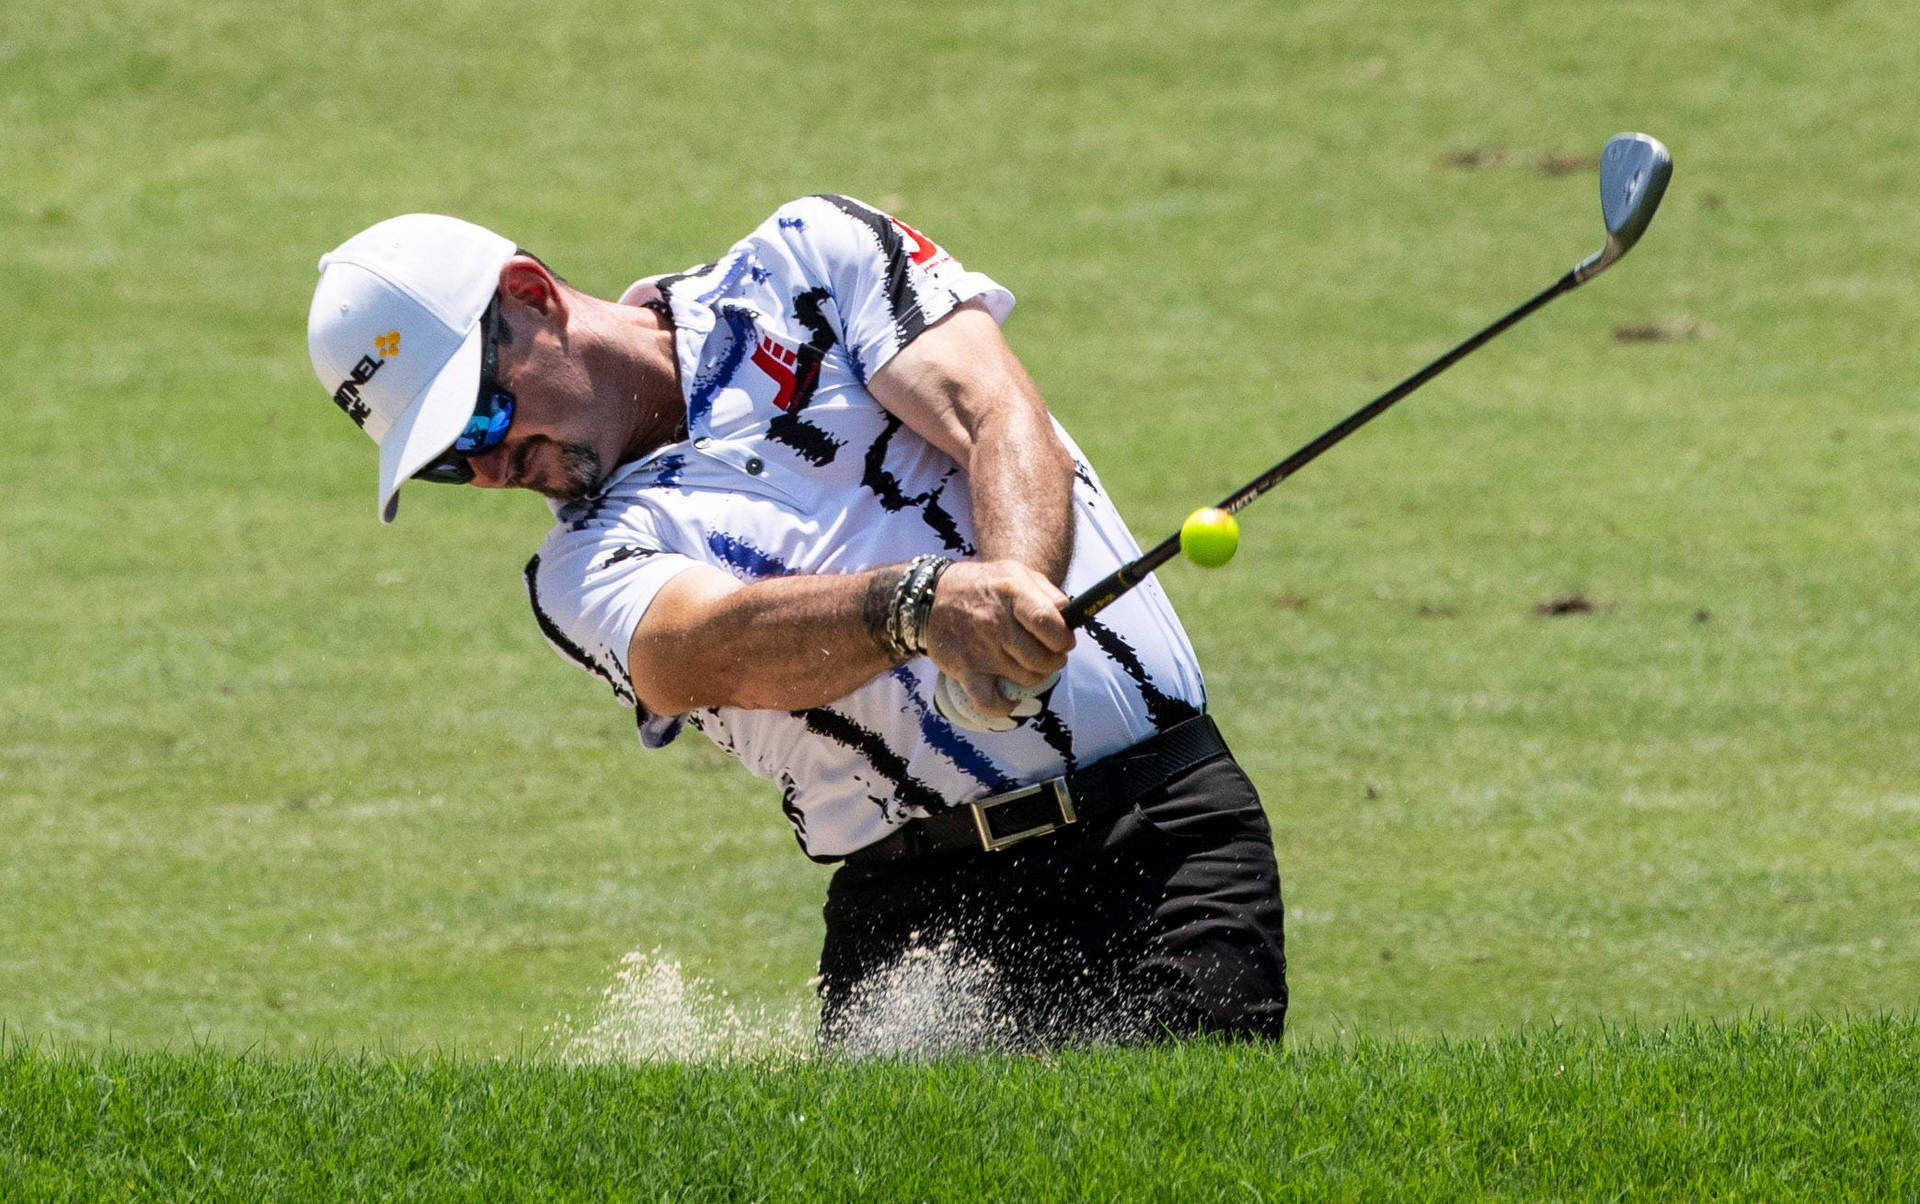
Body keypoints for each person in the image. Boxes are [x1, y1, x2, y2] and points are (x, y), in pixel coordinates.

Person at [305, 195, 1287, 1050]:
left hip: (1161, 843)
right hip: (919, 912)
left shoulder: (808, 261)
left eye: (477, 418)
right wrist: (925, 607)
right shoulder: (578, 568)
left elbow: (992, 410)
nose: (486, 468)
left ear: (529, 293)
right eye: (443, 463)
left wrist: (1012, 588)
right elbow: (707, 647)